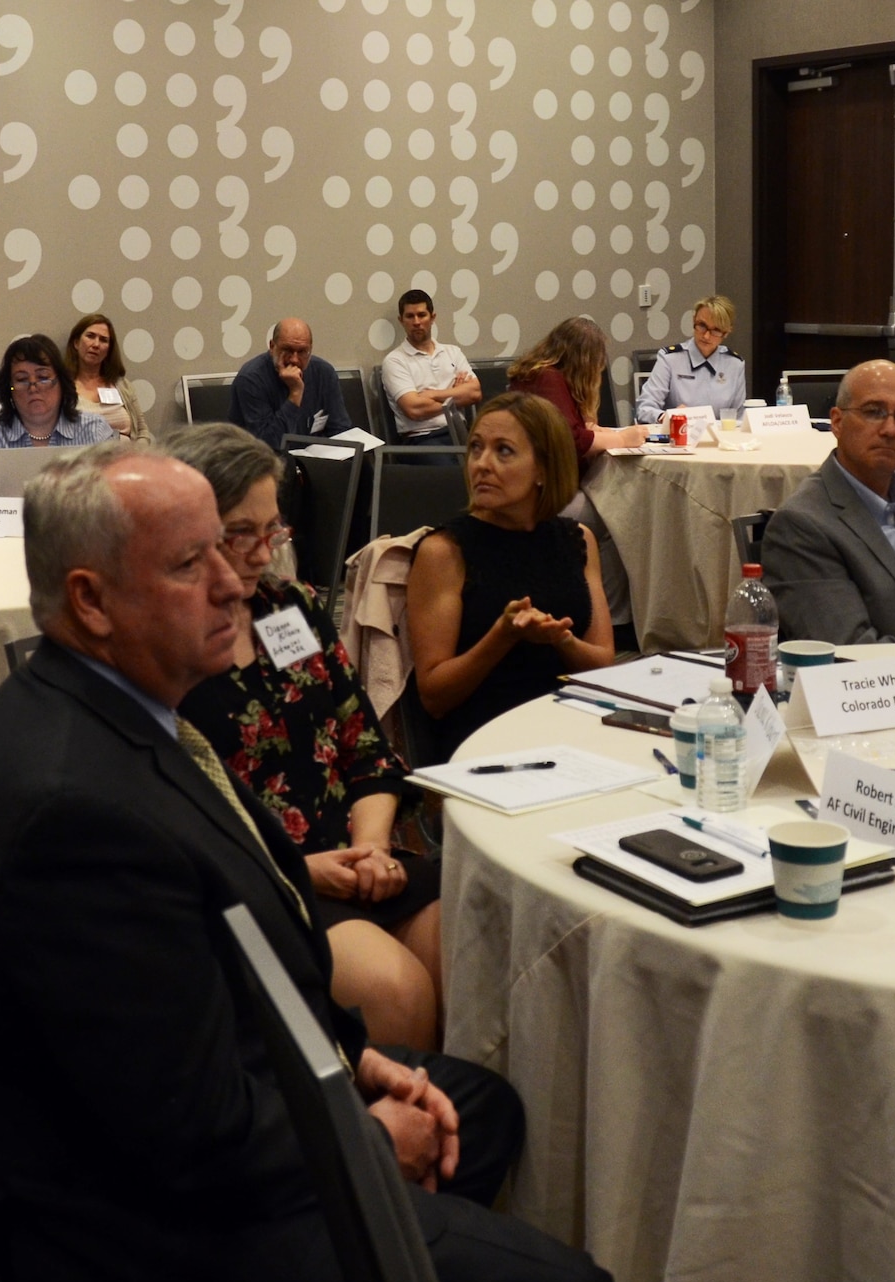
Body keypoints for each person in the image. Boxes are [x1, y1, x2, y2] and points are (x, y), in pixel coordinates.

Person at [0, 440, 629, 1282]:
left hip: (221, 1115)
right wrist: (368, 1138)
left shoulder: (115, 713)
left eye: (237, 549)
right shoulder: (76, 816)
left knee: (480, 1104)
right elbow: (183, 1135)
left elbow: (219, 979)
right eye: (196, 560)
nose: (234, 583)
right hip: (163, 1246)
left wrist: (355, 1055)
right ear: (90, 602)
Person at [165, 424, 443, 1051]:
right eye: (242, 534)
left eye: (273, 531)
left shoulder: (289, 609)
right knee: (396, 990)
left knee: (475, 943)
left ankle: (448, 1129)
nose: (264, 554)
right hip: (265, 888)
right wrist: (309, 870)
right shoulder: (165, 655)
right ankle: (372, 1142)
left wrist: (371, 851)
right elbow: (180, 831)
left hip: (360, 861)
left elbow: (365, 748)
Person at [406, 393, 616, 762]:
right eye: (475, 448)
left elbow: (603, 667)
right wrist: (502, 636)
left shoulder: (577, 541)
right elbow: (434, 696)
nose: (481, 464)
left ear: (543, 469)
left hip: (567, 729)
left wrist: (561, 639)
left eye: (504, 451)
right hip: (482, 742)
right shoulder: (444, 551)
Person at [760, 360, 895, 644]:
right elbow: (850, 650)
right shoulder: (802, 525)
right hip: (889, 681)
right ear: (837, 422)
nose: (891, 429)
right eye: (874, 412)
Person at [0, 334, 112, 498]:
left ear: (61, 382)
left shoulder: (94, 430)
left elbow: (115, 494)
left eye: (43, 377)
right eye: (21, 379)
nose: (33, 388)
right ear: (9, 390)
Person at [507, 317, 648, 457]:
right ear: (585, 363)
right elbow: (569, 440)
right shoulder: (547, 378)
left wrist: (598, 431)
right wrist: (621, 439)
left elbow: (573, 427)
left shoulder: (541, 373)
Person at [229, 317, 354, 446]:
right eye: (287, 350)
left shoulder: (324, 373)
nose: (294, 359)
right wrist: (295, 393)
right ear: (272, 347)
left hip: (314, 460)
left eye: (302, 352)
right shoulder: (251, 379)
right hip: (263, 462)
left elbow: (340, 430)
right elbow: (268, 445)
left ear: (310, 350)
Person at [380, 289, 480, 448]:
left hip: (460, 431)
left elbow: (475, 392)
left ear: (432, 317)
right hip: (422, 439)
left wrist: (433, 394)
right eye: (410, 316)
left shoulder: (453, 352)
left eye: (421, 315)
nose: (416, 322)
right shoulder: (394, 361)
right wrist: (457, 396)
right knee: (455, 471)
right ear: (401, 320)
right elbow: (414, 409)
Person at [634, 294, 748, 424]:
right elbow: (645, 408)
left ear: (727, 332)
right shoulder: (670, 359)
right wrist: (666, 417)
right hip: (678, 436)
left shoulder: (734, 363)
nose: (706, 336)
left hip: (719, 440)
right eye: (702, 325)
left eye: (716, 330)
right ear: (694, 320)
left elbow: (739, 417)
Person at [65, 313, 152, 444]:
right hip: (84, 460)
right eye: (90, 336)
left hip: (126, 459)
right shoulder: (62, 388)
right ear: (76, 343)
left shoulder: (122, 385)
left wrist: (136, 456)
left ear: (109, 350)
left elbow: (142, 432)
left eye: (103, 340)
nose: (96, 344)